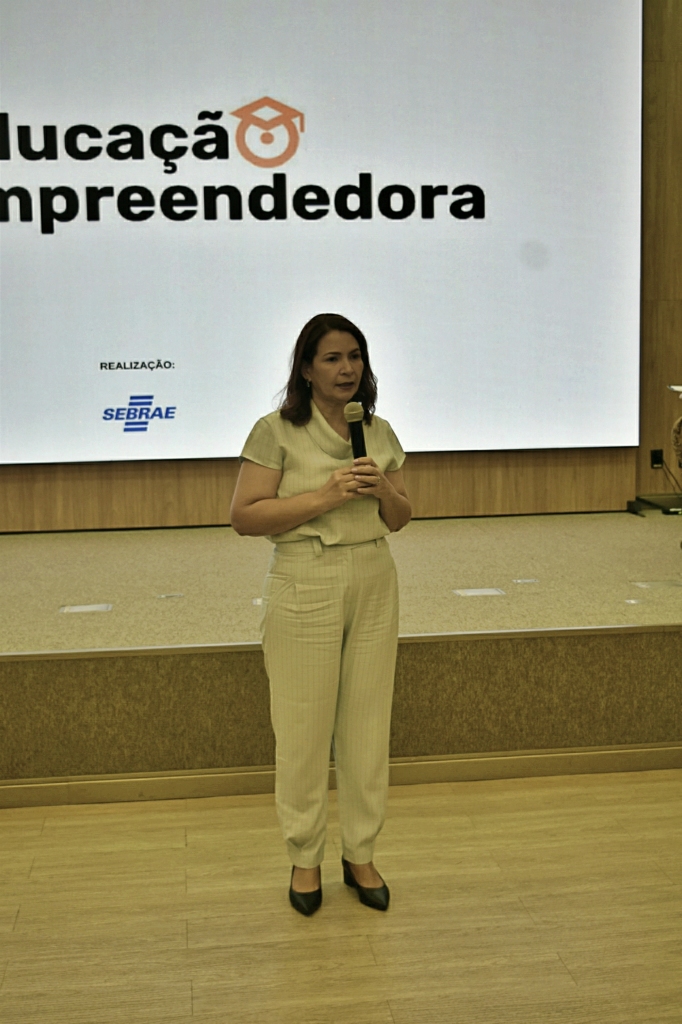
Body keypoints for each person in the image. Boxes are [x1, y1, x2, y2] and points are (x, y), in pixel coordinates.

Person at [230, 313, 411, 916]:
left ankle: (360, 853)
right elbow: (245, 516)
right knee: (303, 732)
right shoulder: (276, 431)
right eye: (332, 358)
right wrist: (325, 497)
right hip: (304, 578)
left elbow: (401, 518)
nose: (346, 369)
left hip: (374, 578)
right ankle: (305, 857)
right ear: (306, 368)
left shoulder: (377, 430)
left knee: (367, 728)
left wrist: (383, 491)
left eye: (355, 357)